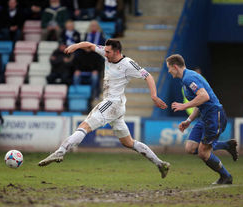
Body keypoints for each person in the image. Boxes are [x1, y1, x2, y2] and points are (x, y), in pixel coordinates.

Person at [38, 39, 170, 179]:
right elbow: (89, 45)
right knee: (128, 142)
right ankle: (161, 164)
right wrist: (75, 46)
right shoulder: (107, 52)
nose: (105, 54)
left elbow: (148, 76)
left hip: (112, 103)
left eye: (108, 52)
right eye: (105, 51)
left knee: (84, 126)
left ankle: (61, 151)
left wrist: (154, 96)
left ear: (117, 52)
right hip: (117, 107)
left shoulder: (128, 64)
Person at [166, 54, 238, 184]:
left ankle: (226, 177)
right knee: (190, 148)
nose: (168, 71)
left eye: (169, 68)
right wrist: (188, 121)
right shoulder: (186, 79)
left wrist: (184, 105)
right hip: (205, 116)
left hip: (214, 116)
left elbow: (204, 96)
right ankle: (227, 145)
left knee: (203, 153)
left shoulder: (189, 78)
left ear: (175, 66)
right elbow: (199, 103)